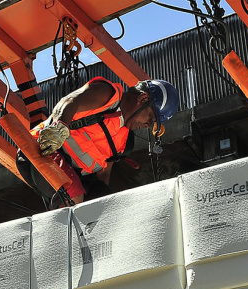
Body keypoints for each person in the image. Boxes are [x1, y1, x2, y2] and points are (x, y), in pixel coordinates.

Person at [20, 76, 179, 206]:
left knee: (106, 206)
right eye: (150, 117)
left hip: (75, 173)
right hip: (42, 149)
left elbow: (104, 172)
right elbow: (69, 101)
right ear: (143, 98)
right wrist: (58, 128)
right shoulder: (108, 95)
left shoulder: (124, 141)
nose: (147, 125)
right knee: (74, 195)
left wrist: (101, 201)